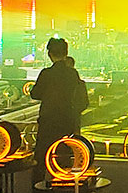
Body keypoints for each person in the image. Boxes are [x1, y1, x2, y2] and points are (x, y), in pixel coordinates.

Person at [30, 37, 90, 171]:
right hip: (66, 121)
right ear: (66, 53)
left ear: (49, 54)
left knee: (42, 159)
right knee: (64, 159)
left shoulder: (46, 73)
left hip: (48, 121)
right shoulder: (72, 74)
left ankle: (40, 183)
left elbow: (35, 94)